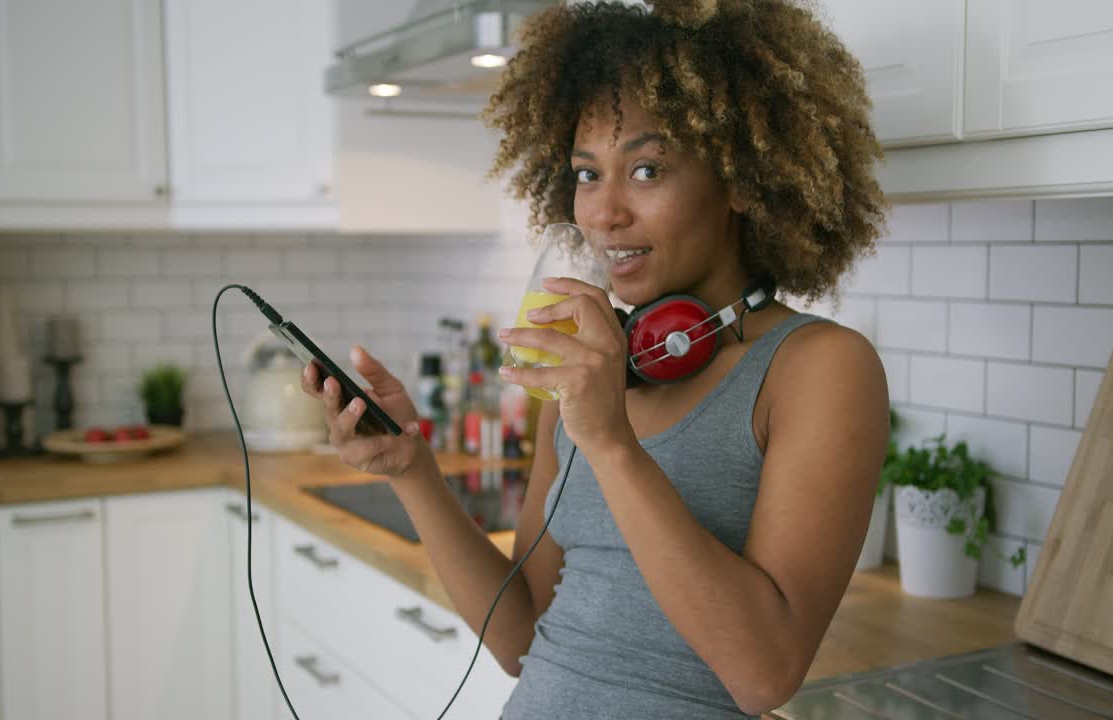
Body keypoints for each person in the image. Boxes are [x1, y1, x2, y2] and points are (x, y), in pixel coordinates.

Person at [299, 0, 891, 717]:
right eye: (587, 175)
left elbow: (764, 674)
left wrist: (610, 441)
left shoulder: (818, 369)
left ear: (740, 177)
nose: (604, 213)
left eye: (646, 170)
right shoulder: (589, 371)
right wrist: (413, 470)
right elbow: (520, 637)